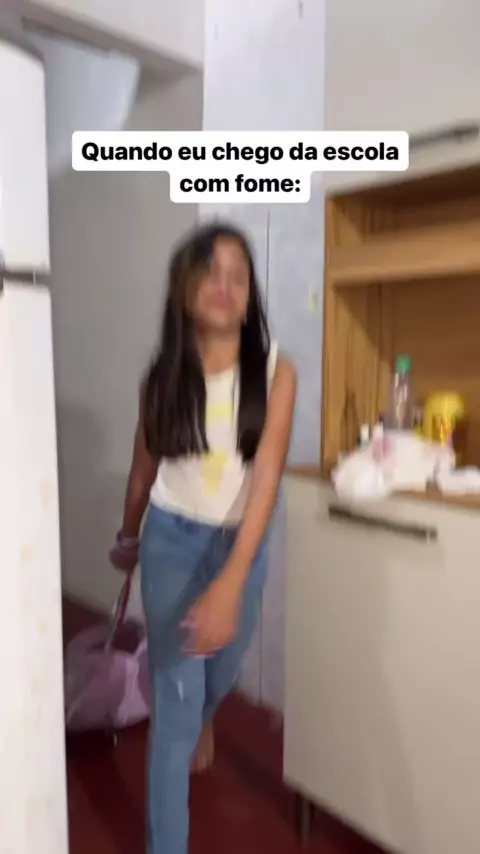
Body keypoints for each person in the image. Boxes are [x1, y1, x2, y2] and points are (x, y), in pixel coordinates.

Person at [109, 222, 297, 854]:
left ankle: (204, 716)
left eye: (238, 276)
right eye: (211, 271)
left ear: (250, 299)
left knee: (220, 673)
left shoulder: (276, 373)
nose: (225, 285)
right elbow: (143, 471)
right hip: (170, 541)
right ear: (183, 288)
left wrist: (232, 580)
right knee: (175, 705)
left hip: (241, 545)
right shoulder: (160, 379)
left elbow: (266, 478)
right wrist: (127, 537)